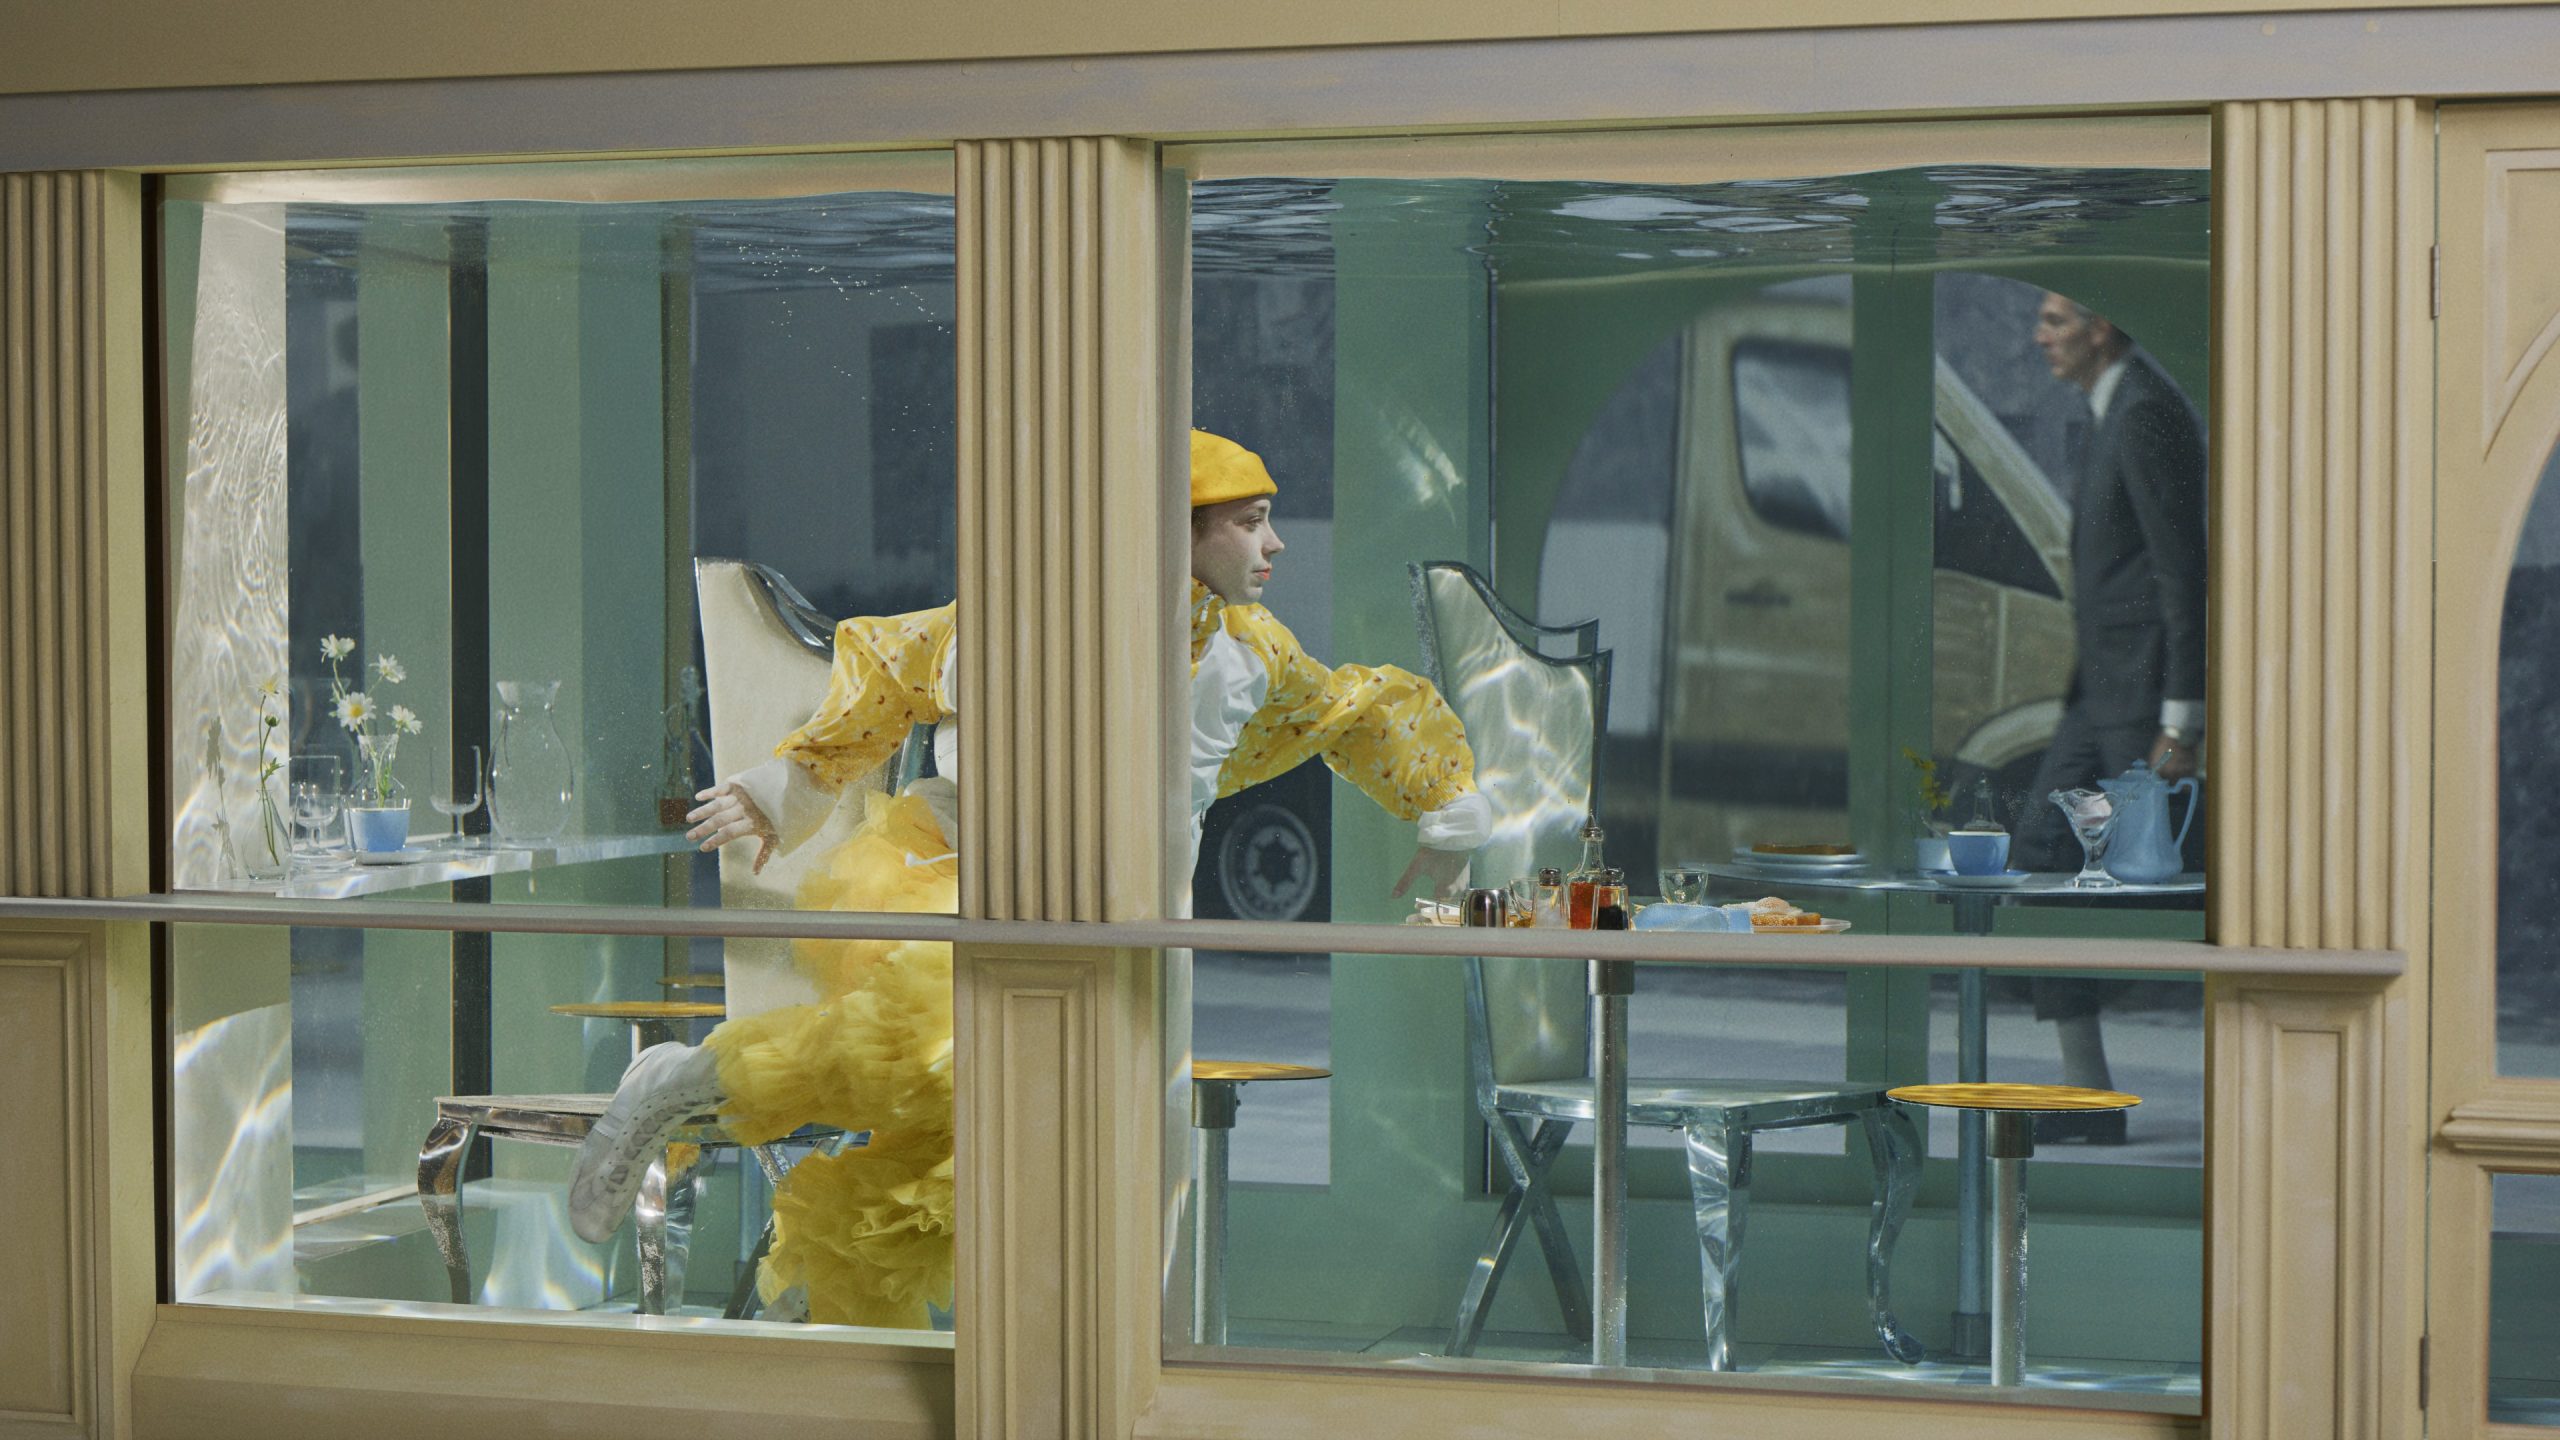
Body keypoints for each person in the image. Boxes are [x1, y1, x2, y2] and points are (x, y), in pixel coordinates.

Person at [565, 429, 1489, 1322]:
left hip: (1109, 920)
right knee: (950, 1041)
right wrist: (783, 786)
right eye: (1247, 520)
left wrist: (1446, 804)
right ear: (1176, 525)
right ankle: (680, 1083)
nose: (1273, 542)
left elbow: (1356, 707)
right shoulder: (1021, 617)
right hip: (952, 873)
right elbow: (890, 667)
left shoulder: (1252, 655)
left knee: (1010, 1130)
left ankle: (822, 1293)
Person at [2011, 292, 2207, 1144]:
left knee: (2184, 888)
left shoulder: (2143, 415)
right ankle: (2088, 1097)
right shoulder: (2113, 411)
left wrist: (2182, 722)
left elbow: (2179, 574)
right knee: (2042, 851)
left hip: (2143, 705)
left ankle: (2272, 1082)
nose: (2039, 335)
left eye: (2055, 320)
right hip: (2102, 695)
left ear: (2103, 325)